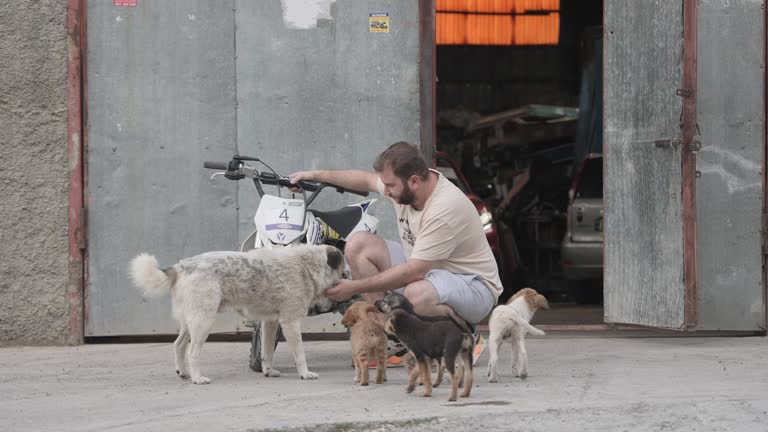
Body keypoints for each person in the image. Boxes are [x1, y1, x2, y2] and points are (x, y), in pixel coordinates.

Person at [290, 141, 503, 364]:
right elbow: (364, 179)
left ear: (414, 181)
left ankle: (465, 334)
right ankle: (394, 336)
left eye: (390, 186)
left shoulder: (444, 208)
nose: (386, 191)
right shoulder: (407, 184)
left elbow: (414, 272)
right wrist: (314, 175)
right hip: (430, 271)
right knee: (358, 245)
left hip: (473, 286)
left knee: (416, 294)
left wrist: (354, 287)